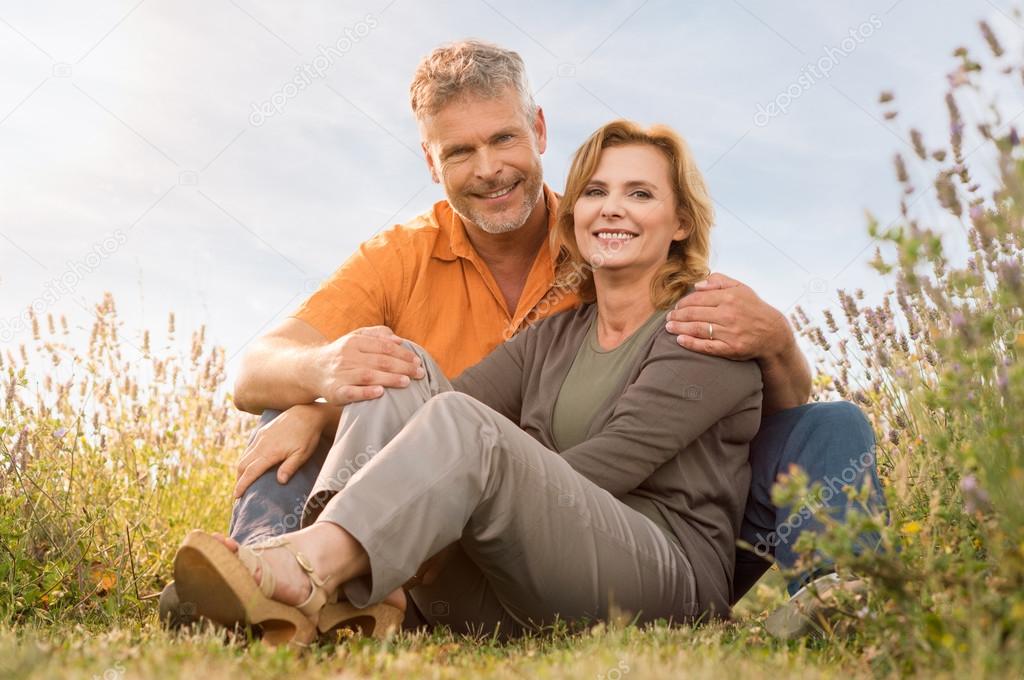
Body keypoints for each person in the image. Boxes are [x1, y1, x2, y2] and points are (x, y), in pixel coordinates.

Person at [161, 40, 885, 640]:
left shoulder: (702, 323)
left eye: (640, 195)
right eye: (597, 193)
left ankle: (306, 569)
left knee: (832, 424)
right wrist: (322, 392)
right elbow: (423, 401)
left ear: (682, 222)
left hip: (658, 565)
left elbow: (581, 467)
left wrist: (781, 342)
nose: (610, 210)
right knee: (398, 367)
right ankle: (326, 592)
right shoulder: (549, 328)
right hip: (535, 551)